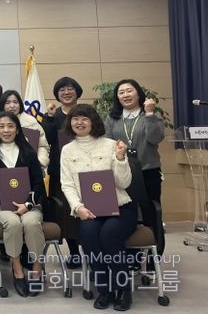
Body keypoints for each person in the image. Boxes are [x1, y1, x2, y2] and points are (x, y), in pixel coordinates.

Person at [60, 104, 135, 311]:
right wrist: (78, 207)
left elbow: (124, 183)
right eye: (75, 118)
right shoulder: (67, 150)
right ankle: (105, 289)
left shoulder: (111, 145)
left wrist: (120, 158)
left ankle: (123, 289)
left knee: (109, 234)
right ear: (70, 123)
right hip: (89, 210)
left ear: (93, 121)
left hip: (120, 207)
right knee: (89, 235)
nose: (79, 122)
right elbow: (67, 184)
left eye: (84, 118)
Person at [0, 112, 46, 297]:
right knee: (13, 223)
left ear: (17, 129)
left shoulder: (28, 152)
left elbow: (38, 183)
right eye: (1, 126)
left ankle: (36, 268)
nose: (6, 130)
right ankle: (17, 270)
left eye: (10, 126)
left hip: (29, 206)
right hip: (2, 207)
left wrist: (28, 204)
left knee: (31, 223)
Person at [105, 79, 166, 257]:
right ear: (117, 97)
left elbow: (155, 138)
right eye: (121, 92)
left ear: (138, 93)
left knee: (151, 213)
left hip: (148, 171)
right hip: (121, 173)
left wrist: (149, 114)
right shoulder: (112, 118)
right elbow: (107, 144)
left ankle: (154, 256)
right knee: (126, 214)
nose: (126, 95)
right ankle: (131, 255)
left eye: (129, 91)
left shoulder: (151, 115)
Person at [41, 77, 83, 267]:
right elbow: (47, 139)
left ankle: (90, 249)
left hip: (86, 172)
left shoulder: (86, 112)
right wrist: (49, 118)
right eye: (62, 90)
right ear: (57, 95)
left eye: (70, 89)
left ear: (77, 91)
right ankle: (74, 252)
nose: (66, 93)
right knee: (66, 213)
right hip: (60, 172)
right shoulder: (53, 115)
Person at [0, 90, 50, 171]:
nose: (12, 106)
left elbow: (42, 146)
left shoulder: (30, 122)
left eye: (15, 102)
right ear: (2, 105)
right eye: (7, 103)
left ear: (20, 104)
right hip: (5, 169)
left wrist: (39, 162)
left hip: (31, 168)